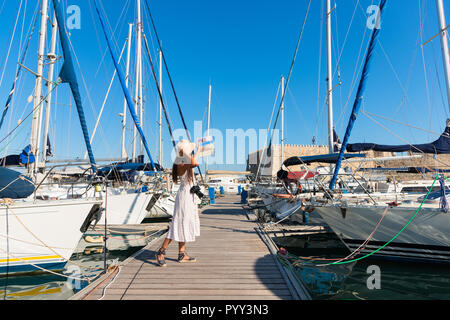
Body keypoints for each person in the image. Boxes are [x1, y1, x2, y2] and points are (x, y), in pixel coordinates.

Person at [156, 140, 201, 267]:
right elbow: (195, 163)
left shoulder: (183, 161)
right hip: (185, 197)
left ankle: (182, 254)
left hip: (188, 196)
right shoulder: (181, 163)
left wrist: (197, 151)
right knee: (178, 225)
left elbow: (193, 161)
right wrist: (188, 152)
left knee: (184, 224)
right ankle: (161, 251)